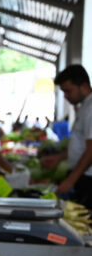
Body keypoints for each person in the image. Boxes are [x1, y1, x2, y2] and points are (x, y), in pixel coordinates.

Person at [54, 65, 92, 208]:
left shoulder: (91, 108)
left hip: (88, 178)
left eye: (68, 91)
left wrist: (71, 180)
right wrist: (59, 158)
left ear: (83, 86)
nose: (66, 96)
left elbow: (91, 149)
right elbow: (82, 145)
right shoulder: (85, 107)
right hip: (83, 176)